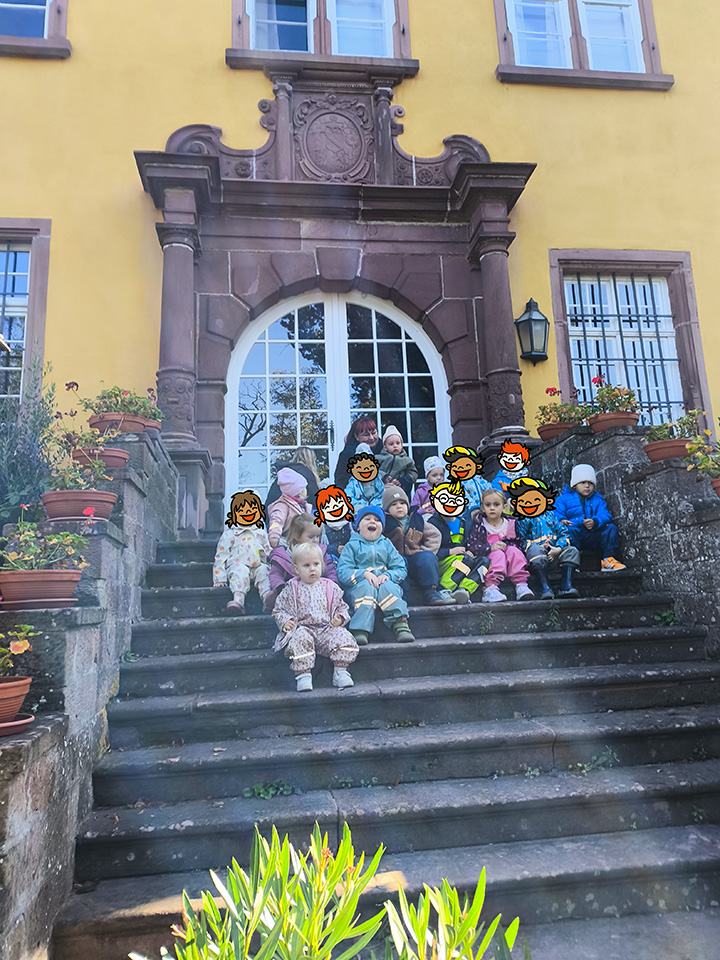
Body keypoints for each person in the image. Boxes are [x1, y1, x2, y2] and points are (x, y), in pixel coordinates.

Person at [272, 542, 359, 692]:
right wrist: (285, 621)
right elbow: (279, 609)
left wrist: (339, 618)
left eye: (316, 564)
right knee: (299, 638)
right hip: (304, 628)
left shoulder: (330, 587)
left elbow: (342, 607)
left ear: (322, 565)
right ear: (296, 569)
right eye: (306, 565)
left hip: (326, 629)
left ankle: (341, 671)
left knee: (343, 636)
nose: (312, 569)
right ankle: (303, 675)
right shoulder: (291, 588)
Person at [337, 505, 415, 644]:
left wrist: (388, 575)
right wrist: (363, 574)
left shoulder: (387, 544)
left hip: (383, 582)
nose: (372, 521)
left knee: (389, 587)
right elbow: (343, 571)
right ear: (358, 527)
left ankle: (400, 624)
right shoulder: (351, 546)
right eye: (367, 519)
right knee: (366, 588)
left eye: (377, 520)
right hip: (360, 586)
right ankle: (360, 630)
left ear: (382, 528)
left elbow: (400, 567)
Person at [382, 486, 456, 606]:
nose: (399, 506)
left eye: (402, 503)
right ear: (387, 509)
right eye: (394, 504)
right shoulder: (384, 522)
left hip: (415, 559)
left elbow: (434, 535)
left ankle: (431, 592)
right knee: (398, 563)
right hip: (395, 561)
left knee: (427, 557)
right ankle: (403, 596)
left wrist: (425, 550)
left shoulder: (416, 520)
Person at [510, 477, 580, 600]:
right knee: (535, 550)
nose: (530, 503)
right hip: (535, 559)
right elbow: (519, 540)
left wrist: (558, 548)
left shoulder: (550, 516)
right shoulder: (522, 520)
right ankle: (545, 587)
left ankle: (566, 585)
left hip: (554, 554)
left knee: (572, 551)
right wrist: (538, 546)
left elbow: (563, 533)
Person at [467, 488, 534, 602]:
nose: (492, 508)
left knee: (514, 551)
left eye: (496, 504)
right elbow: (472, 545)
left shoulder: (510, 523)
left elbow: (518, 542)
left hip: (507, 555)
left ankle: (521, 584)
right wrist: (490, 547)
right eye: (488, 505)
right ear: (482, 508)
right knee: (498, 554)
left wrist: (507, 546)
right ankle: (490, 588)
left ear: (504, 507)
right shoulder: (479, 524)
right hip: (489, 556)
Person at [555, 464, 626, 572]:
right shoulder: (563, 499)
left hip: (592, 534)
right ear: (574, 485)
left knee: (611, 528)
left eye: (590, 483)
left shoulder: (598, 499)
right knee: (568, 531)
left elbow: (605, 515)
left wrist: (595, 521)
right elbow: (555, 515)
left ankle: (608, 560)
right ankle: (572, 562)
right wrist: (562, 520)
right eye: (583, 482)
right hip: (575, 534)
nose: (587, 486)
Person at [212, 490, 273, 615]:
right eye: (242, 510)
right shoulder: (230, 534)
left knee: (264, 571)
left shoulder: (260, 533)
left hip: (258, 565)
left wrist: (273, 566)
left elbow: (268, 551)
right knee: (240, 572)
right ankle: (238, 600)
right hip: (238, 565)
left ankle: (268, 599)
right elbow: (221, 556)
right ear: (234, 514)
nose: (248, 513)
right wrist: (220, 578)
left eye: (252, 509)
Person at [266, 513, 339, 612]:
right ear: (297, 536)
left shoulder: (320, 552)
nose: (316, 540)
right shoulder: (284, 555)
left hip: (317, 591)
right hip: (293, 594)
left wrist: (332, 585)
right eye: (311, 537)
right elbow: (275, 574)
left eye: (318, 536)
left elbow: (330, 570)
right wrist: (280, 587)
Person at [427, 480, 484, 601]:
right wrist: (450, 552)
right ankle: (443, 589)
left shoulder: (464, 521)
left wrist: (470, 551)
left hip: (463, 559)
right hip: (443, 562)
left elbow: (469, 543)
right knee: (463, 560)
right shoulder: (432, 523)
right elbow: (429, 551)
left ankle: (463, 590)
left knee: (483, 561)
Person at [267, 467, 313, 548]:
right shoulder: (282, 506)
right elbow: (276, 521)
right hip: (288, 539)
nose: (306, 490)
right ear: (299, 492)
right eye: (304, 488)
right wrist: (274, 535)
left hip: (302, 539)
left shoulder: (303, 505)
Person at [333, 416, 383, 488]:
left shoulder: (385, 448)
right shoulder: (347, 455)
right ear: (356, 436)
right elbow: (340, 481)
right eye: (366, 435)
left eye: (374, 433)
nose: (371, 438)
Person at [443, 446, 491, 513]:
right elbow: (463, 496)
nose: (461, 468)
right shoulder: (457, 483)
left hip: (484, 510)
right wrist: (474, 508)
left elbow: (489, 489)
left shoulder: (479, 479)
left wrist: (491, 501)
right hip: (468, 512)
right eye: (456, 466)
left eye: (467, 465)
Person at [314, 485, 354, 563]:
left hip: (350, 558)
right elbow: (318, 546)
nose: (335, 507)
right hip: (329, 560)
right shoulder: (322, 526)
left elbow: (357, 540)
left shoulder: (350, 524)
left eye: (339, 503)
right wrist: (335, 549)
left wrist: (350, 547)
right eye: (328, 506)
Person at [377, 425, 419, 497]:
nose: (395, 446)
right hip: (383, 489)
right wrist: (384, 477)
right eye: (391, 444)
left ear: (401, 445)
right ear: (385, 447)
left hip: (400, 490)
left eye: (398, 443)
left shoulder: (407, 460)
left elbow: (414, 473)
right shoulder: (379, 458)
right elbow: (374, 471)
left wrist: (405, 480)